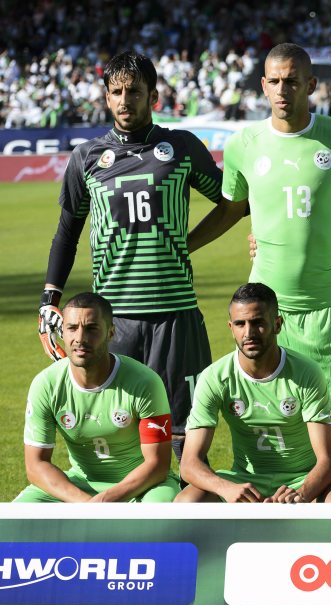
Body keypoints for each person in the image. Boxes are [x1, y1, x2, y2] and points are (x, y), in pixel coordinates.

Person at [187, 43, 331, 491]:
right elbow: (232, 209)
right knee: (272, 413)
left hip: (326, 307)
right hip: (265, 314)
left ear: (311, 84)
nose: (283, 88)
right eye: (274, 80)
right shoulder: (244, 144)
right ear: (262, 85)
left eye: (292, 80)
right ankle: (272, 489)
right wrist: (182, 246)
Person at [37, 51, 222, 460]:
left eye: (134, 91)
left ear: (153, 96)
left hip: (175, 315)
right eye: (117, 91)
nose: (125, 100)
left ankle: (189, 519)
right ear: (105, 98)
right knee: (122, 435)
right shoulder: (86, 158)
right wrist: (50, 297)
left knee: (183, 438)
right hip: (114, 319)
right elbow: (68, 231)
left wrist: (187, 243)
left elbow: (231, 201)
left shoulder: (181, 147)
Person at [176, 283, 331, 503]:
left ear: (277, 324)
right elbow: (189, 463)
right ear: (231, 327)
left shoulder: (306, 373)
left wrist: (300, 494)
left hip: (301, 480)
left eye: (258, 323)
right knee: (187, 502)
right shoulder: (214, 377)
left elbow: (328, 461)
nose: (249, 333)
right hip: (244, 480)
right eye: (240, 324)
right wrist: (227, 488)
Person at [17, 292, 179, 502]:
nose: (80, 338)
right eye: (72, 328)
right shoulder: (46, 384)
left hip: (143, 485)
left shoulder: (145, 382)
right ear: (62, 332)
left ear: (111, 333)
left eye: (92, 329)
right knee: (21, 516)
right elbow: (36, 465)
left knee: (160, 514)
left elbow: (157, 465)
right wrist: (87, 503)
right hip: (79, 484)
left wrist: (104, 502)